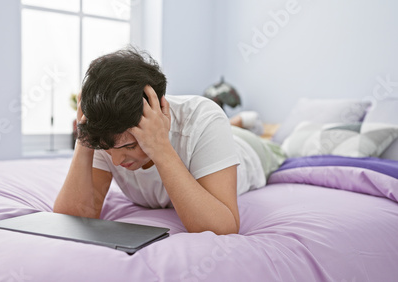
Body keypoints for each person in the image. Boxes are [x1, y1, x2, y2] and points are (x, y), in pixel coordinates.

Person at [53, 48, 285, 235]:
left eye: (129, 146)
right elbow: (72, 217)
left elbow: (223, 227)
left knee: (277, 145)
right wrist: (86, 138)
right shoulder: (109, 133)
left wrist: (160, 147)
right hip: (203, 138)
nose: (115, 159)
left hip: (252, 152)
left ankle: (245, 125)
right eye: (106, 149)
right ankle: (237, 123)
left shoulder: (205, 117)